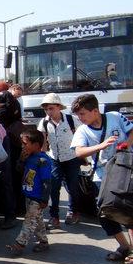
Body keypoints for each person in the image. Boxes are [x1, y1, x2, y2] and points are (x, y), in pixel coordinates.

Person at [70, 94, 133, 261]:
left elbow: (131, 131)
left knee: (129, 210)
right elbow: (79, 151)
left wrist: (126, 144)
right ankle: (125, 246)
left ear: (95, 111)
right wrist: (101, 146)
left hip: (127, 172)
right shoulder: (83, 130)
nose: (80, 118)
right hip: (103, 176)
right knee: (106, 213)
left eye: (82, 114)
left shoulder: (115, 117)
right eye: (78, 115)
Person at [36, 93, 82, 229]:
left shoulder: (71, 120)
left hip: (72, 158)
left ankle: (73, 212)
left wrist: (84, 154)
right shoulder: (44, 122)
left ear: (58, 107)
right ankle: (54, 216)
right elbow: (43, 144)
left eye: (51, 108)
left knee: (72, 186)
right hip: (54, 159)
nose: (48, 111)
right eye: (46, 109)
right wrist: (41, 160)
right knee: (54, 188)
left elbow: (82, 136)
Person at [6, 129, 52, 256]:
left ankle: (19, 244)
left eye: (25, 143)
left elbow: (46, 181)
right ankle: (43, 241)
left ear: (36, 145)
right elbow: (19, 170)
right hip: (29, 194)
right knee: (37, 220)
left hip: (37, 198)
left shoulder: (43, 161)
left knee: (29, 220)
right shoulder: (29, 157)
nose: (22, 146)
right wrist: (21, 160)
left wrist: (44, 198)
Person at [0, 90, 25, 228]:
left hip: (4, 148)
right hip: (15, 147)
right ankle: (17, 209)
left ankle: (9, 215)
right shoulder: (14, 108)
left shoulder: (0, 113)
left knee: (5, 180)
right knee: (14, 179)